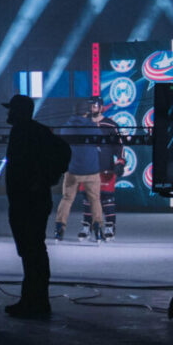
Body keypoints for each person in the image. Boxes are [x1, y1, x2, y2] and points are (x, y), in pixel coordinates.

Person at [1, 94, 72, 318]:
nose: (8, 114)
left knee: (33, 252)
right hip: (27, 200)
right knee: (32, 252)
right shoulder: (32, 131)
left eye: (11, 110)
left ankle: (35, 302)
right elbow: (63, 152)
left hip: (28, 202)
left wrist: (43, 180)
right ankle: (33, 300)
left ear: (19, 112)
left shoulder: (29, 132)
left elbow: (63, 152)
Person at [54, 98, 109, 242]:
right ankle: (97, 229)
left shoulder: (65, 128)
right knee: (95, 200)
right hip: (91, 169)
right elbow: (101, 143)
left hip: (72, 170)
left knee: (67, 199)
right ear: (87, 112)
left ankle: (59, 229)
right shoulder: (93, 126)